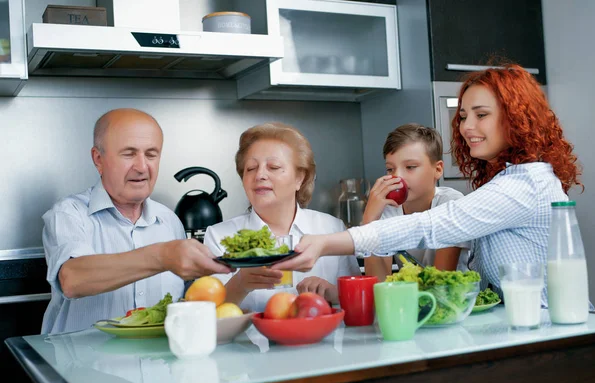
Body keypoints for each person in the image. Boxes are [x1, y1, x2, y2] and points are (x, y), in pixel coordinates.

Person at [274, 65, 595, 383]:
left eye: (482, 114)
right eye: (462, 115)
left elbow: (436, 224)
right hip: (512, 362)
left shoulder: (526, 184)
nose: (465, 126)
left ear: (515, 117)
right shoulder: (504, 181)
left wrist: (328, 242)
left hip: (562, 367)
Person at [41, 108, 231, 334]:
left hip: (160, 365)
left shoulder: (169, 220)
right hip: (78, 366)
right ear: (98, 159)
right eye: (129, 154)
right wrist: (162, 256)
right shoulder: (69, 214)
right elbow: (73, 279)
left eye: (151, 154)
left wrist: (246, 279)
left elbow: (194, 300)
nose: (142, 167)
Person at [203, 122, 361, 311]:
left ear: (299, 178)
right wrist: (241, 283)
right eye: (251, 168)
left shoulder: (332, 228)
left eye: (274, 167)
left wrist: (334, 294)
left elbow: (358, 303)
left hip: (324, 339)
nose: (260, 175)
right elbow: (206, 314)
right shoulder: (219, 236)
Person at [363, 123, 469, 281]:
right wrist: (369, 221)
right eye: (390, 169)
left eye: (410, 167)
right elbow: (378, 283)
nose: (398, 177)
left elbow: (439, 284)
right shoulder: (389, 210)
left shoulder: (451, 204)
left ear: (438, 169)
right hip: (414, 300)